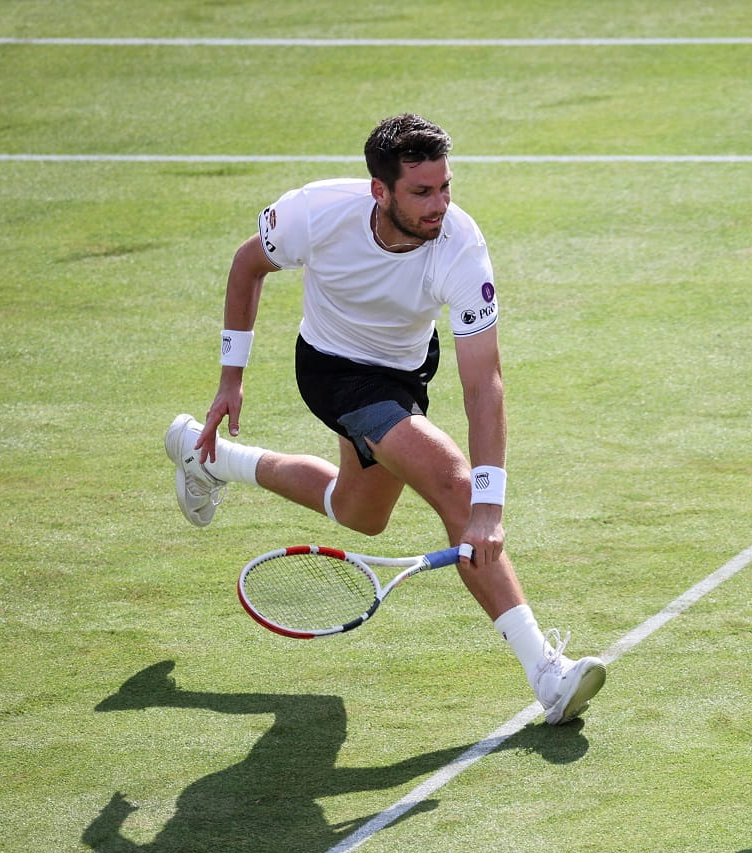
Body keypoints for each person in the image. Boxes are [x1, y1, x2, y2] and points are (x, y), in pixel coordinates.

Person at [166, 113, 602, 725]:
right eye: (422, 192)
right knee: (452, 483)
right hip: (332, 371)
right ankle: (547, 674)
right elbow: (247, 266)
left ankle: (205, 456)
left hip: (404, 372)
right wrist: (230, 378)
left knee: (358, 514)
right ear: (380, 191)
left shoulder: (461, 246)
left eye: (445, 187)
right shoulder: (314, 212)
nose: (440, 205)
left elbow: (483, 382)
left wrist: (492, 507)